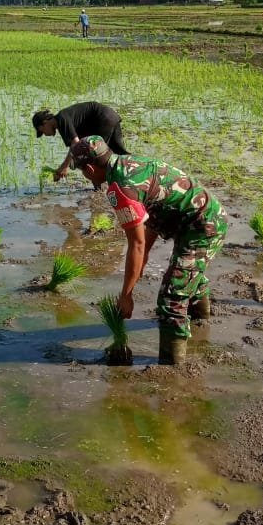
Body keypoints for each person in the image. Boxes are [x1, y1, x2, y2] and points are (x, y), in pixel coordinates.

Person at [68, 135, 225, 366]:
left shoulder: (120, 189)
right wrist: (144, 258)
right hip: (199, 217)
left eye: (82, 171)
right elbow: (150, 217)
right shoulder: (129, 164)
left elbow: (136, 243)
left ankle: (172, 368)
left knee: (172, 297)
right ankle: (202, 325)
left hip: (203, 226)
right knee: (188, 275)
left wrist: (126, 296)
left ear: (90, 169)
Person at [32, 102, 129, 180]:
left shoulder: (61, 119)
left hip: (103, 119)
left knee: (98, 157)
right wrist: (70, 164)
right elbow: (77, 146)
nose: (45, 134)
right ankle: (133, 174)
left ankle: (100, 187)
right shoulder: (63, 118)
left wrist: (64, 167)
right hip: (111, 116)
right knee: (121, 153)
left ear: (45, 122)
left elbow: (75, 144)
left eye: (42, 131)